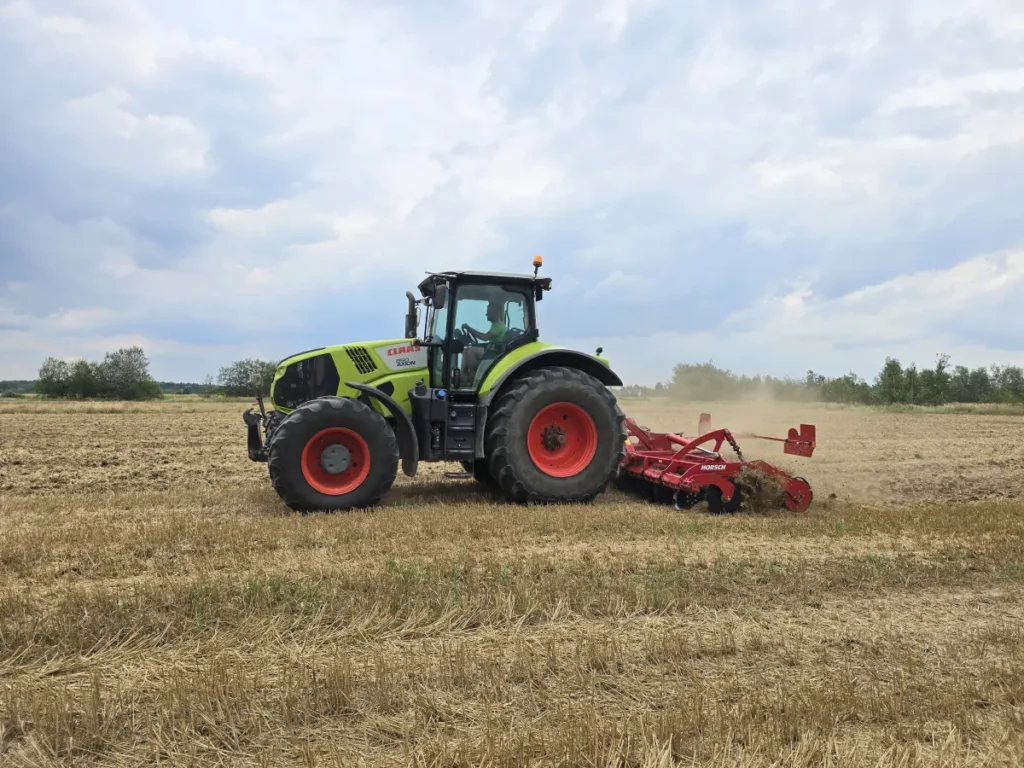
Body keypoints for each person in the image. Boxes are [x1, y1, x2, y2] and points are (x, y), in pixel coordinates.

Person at [460, 300, 507, 383]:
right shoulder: (495, 325)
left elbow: (485, 337)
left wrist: (469, 328)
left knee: (470, 351)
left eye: (488, 311)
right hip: (490, 351)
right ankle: (464, 376)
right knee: (466, 349)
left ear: (495, 312)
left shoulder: (499, 325)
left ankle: (470, 376)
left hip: (494, 353)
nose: (486, 314)